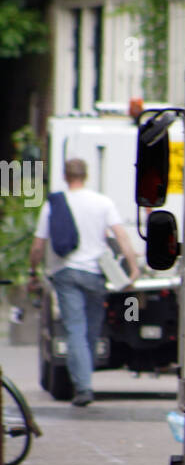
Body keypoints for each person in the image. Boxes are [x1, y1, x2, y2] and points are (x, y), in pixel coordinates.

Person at [29, 159, 141, 406]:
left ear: (65, 176)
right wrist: (133, 268)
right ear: (86, 175)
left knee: (76, 330)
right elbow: (121, 235)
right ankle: (84, 381)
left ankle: (83, 385)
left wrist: (32, 271)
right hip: (95, 275)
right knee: (90, 330)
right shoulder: (102, 202)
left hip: (66, 273)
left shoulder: (54, 205)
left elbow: (38, 245)